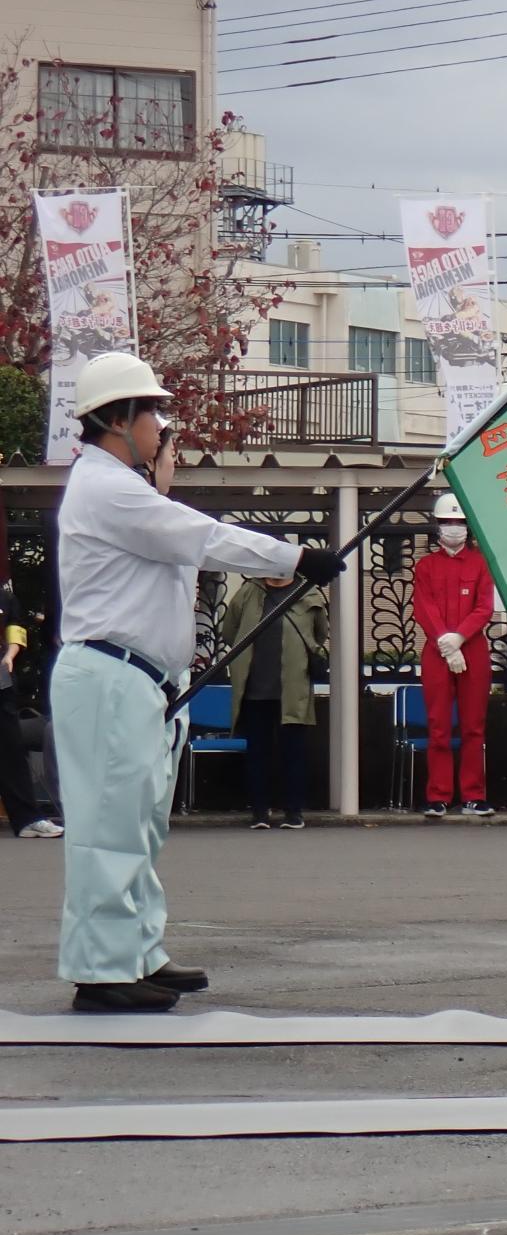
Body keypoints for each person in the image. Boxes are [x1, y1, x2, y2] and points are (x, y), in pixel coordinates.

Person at [51, 351, 343, 1012]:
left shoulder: (125, 493)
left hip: (137, 682)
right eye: (152, 412)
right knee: (109, 829)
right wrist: (295, 556)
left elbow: (175, 544)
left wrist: (161, 487)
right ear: (119, 419)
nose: (161, 425)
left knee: (139, 826)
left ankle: (137, 953)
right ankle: (101, 971)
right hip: (110, 678)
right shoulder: (106, 487)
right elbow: (200, 538)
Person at [221, 572, 327, 830]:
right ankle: (259, 811)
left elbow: (319, 634)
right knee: (258, 752)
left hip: (293, 688)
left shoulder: (308, 592)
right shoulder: (249, 591)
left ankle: (294, 811)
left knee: (293, 752)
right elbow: (229, 631)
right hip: (254, 687)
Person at [412, 493, 495, 817]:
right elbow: (424, 607)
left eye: (459, 523)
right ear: (437, 526)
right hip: (437, 651)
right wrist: (448, 646)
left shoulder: (481, 562)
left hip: (473, 648)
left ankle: (474, 795)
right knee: (438, 726)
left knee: (474, 726)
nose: (453, 528)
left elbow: (484, 607)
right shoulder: (426, 565)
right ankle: (439, 795)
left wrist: (459, 638)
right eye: (447, 522)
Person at [0, 579, 62, 839]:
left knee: (10, 748)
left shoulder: (4, 596)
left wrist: (10, 654)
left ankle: (28, 818)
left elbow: (15, 625)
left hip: (0, 678)